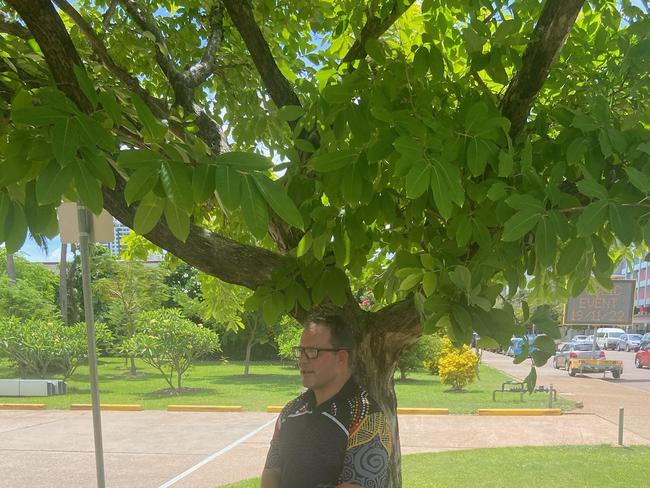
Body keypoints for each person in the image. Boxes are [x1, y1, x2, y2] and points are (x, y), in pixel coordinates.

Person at [261, 314, 392, 488]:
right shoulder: (291, 410)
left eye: (312, 352)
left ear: (341, 358)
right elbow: (272, 470)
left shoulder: (368, 418)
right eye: (300, 351)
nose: (302, 360)